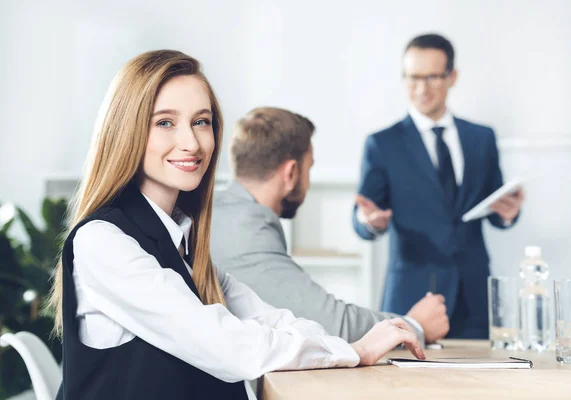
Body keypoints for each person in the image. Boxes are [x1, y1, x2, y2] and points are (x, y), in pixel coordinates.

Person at [48, 50, 425, 400]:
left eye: (201, 122)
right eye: (165, 122)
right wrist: (352, 352)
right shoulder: (104, 241)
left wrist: (342, 347)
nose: (191, 142)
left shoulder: (180, 240)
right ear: (126, 131)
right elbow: (225, 345)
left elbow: (270, 318)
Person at [210, 106, 449, 345]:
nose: (308, 180)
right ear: (291, 173)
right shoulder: (248, 228)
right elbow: (332, 324)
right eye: (309, 167)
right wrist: (415, 326)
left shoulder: (223, 211)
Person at [352, 33, 524, 339]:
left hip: (474, 296)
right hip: (412, 298)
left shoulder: (481, 138)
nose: (421, 88)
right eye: (412, 77)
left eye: (432, 77)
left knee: (481, 384)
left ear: (452, 77)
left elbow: (494, 208)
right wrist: (369, 222)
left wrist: (507, 213)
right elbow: (364, 215)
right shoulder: (382, 143)